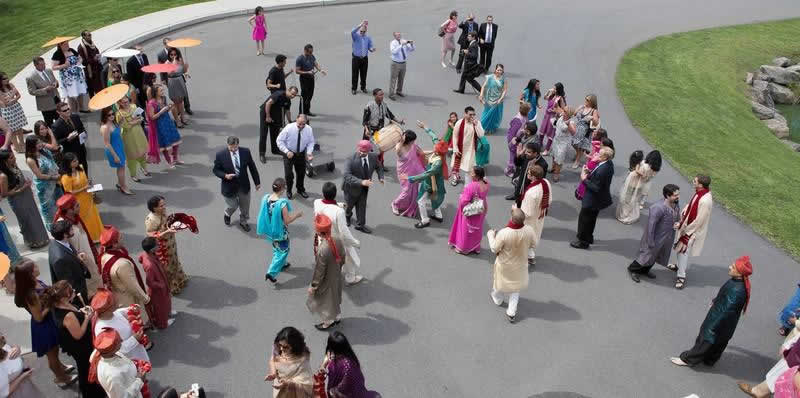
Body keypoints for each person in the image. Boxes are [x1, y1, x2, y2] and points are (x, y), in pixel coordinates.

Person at [671, 256, 752, 367]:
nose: (729, 267)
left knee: (707, 337)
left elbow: (726, 310)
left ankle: (688, 359)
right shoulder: (738, 283)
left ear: (739, 273)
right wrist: (715, 301)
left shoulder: (737, 290)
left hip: (719, 318)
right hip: (727, 322)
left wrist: (714, 324)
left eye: (733, 267)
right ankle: (710, 360)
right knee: (720, 340)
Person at [13, 260, 78, 388]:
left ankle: (61, 367)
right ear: (30, 274)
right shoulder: (31, 294)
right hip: (44, 327)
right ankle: (61, 378)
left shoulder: (35, 282)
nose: (38, 267)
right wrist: (51, 303)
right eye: (35, 267)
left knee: (55, 351)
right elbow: (38, 318)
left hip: (49, 322)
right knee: (52, 355)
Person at [43, 280, 107, 397]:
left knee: (87, 368)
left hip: (76, 344)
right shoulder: (68, 315)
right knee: (87, 369)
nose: (74, 291)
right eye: (71, 291)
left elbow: (74, 315)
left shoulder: (60, 304)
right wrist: (87, 318)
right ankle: (91, 393)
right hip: (81, 347)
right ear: (63, 298)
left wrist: (81, 311)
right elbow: (78, 335)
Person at [665, 174, 713, 289]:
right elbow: (692, 207)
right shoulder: (700, 192)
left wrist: (685, 229)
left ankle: (681, 276)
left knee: (683, 251)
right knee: (680, 249)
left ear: (700, 184)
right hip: (688, 226)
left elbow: (699, 220)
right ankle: (678, 266)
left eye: (695, 181)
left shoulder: (706, 200)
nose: (693, 182)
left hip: (692, 231)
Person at [488, 208, 535, 323]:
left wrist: (491, 235)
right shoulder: (529, 230)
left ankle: (498, 299)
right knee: (516, 288)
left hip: (505, 264)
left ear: (512, 219)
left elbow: (494, 248)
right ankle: (511, 312)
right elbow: (534, 243)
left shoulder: (504, 233)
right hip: (520, 265)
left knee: (499, 282)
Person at [627, 184, 680, 282]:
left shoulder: (675, 204)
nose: (678, 197)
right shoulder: (658, 208)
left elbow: (677, 217)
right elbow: (650, 227)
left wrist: (677, 223)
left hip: (666, 237)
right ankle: (633, 270)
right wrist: (650, 241)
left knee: (656, 255)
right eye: (675, 195)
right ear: (668, 196)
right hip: (655, 237)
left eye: (678, 194)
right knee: (645, 256)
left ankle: (645, 270)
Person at [99, 226, 150, 325]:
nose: (122, 238)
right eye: (120, 238)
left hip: (116, 293)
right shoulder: (122, 264)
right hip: (127, 298)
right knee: (135, 322)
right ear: (114, 244)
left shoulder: (104, 255)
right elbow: (133, 286)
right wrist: (146, 299)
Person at [314, 182, 363, 286]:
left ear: (323, 193)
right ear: (335, 194)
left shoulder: (317, 203)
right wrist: (355, 243)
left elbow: (327, 207)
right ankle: (350, 278)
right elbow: (344, 233)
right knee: (349, 258)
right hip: (335, 242)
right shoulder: (338, 212)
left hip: (322, 239)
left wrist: (339, 205)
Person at [53, 193, 102, 296]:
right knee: (92, 288)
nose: (79, 207)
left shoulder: (74, 218)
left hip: (87, 256)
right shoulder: (63, 226)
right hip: (82, 261)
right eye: (77, 206)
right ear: (69, 210)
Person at [0, 150, 49, 248]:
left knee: (34, 216)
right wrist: (22, 189)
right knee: (26, 220)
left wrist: (27, 187)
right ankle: (32, 242)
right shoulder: (3, 176)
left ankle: (42, 239)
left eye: (13, 156)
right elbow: (4, 194)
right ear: (4, 162)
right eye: (11, 158)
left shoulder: (14, 166)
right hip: (17, 200)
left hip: (26, 195)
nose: (15, 158)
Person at [257, 178, 303, 284]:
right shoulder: (282, 203)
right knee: (283, 251)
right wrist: (297, 215)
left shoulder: (266, 198)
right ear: (282, 189)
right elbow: (287, 220)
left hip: (270, 231)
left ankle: (282, 264)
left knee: (276, 248)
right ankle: (271, 273)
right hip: (280, 232)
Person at [570, 147, 615, 250]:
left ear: (604, 157)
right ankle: (588, 237)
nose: (597, 155)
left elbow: (596, 188)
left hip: (592, 200)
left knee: (584, 220)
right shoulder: (608, 164)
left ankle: (582, 241)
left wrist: (584, 179)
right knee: (591, 220)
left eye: (600, 155)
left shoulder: (602, 170)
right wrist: (589, 172)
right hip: (597, 199)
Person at [307, 214, 346, 330]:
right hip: (337, 274)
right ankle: (337, 316)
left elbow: (319, 271)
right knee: (336, 295)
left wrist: (313, 286)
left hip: (327, 279)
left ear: (319, 232)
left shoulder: (322, 249)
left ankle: (328, 321)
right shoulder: (338, 238)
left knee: (326, 300)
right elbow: (343, 256)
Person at [213, 136, 261, 231]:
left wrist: (257, 182)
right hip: (229, 186)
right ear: (228, 145)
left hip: (244, 185)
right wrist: (225, 175)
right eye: (232, 147)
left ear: (238, 144)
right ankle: (227, 213)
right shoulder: (220, 155)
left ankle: (243, 221)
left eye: (236, 147)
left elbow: (252, 167)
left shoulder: (246, 152)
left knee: (245, 206)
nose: (234, 149)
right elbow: (216, 170)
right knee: (232, 205)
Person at [90, 288, 150, 362]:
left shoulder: (111, 313)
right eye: (114, 301)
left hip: (135, 351)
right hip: (128, 361)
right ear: (108, 308)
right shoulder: (102, 329)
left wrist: (130, 309)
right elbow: (114, 351)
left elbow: (119, 313)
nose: (117, 300)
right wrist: (134, 340)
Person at [145, 195, 189, 294]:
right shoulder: (151, 220)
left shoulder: (162, 212)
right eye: (161, 206)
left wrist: (174, 226)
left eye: (164, 204)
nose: (164, 207)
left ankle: (180, 279)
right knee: (168, 267)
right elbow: (151, 235)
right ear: (154, 208)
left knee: (175, 261)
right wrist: (167, 231)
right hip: (163, 247)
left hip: (171, 242)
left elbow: (167, 222)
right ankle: (172, 287)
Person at [89, 328, 147, 398]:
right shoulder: (113, 376)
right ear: (113, 349)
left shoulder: (108, 354)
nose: (122, 340)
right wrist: (139, 381)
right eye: (119, 340)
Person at [319, 331, 381, 397]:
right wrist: (323, 365)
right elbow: (327, 355)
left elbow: (346, 384)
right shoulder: (346, 354)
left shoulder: (348, 366)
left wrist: (333, 391)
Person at [59, 152, 103, 242]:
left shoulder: (81, 168)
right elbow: (69, 193)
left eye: (76, 160)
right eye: (74, 161)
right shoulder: (66, 177)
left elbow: (85, 181)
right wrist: (84, 188)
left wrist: (89, 184)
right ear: (68, 163)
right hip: (78, 201)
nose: (77, 162)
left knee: (93, 217)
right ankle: (90, 239)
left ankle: (98, 236)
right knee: (85, 220)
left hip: (88, 197)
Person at [343, 141, 384, 234]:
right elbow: (346, 176)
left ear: (369, 151)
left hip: (364, 188)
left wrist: (381, 177)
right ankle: (347, 215)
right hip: (351, 188)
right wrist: (361, 182)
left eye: (364, 152)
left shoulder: (373, 157)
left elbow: (379, 167)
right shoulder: (350, 158)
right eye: (360, 150)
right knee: (349, 206)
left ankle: (360, 225)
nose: (361, 153)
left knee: (362, 207)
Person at [406, 139, 449, 229]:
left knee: (421, 201)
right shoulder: (440, 156)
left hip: (431, 183)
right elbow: (434, 138)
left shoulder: (437, 163)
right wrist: (426, 129)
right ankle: (438, 216)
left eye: (435, 147)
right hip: (436, 182)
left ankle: (425, 220)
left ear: (437, 151)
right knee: (435, 198)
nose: (434, 146)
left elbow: (427, 174)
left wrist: (410, 178)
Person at [24, 135, 62, 231]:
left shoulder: (44, 151)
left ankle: (63, 223)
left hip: (56, 182)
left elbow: (54, 148)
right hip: (44, 187)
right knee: (49, 208)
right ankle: (54, 228)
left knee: (60, 202)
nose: (40, 144)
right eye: (37, 143)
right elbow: (39, 175)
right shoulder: (30, 159)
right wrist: (53, 177)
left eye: (40, 142)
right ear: (31, 145)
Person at [49, 219, 92, 303]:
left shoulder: (60, 242)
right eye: (71, 229)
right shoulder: (60, 259)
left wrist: (77, 258)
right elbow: (68, 284)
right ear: (65, 234)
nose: (73, 230)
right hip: (77, 294)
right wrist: (80, 298)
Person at [516, 165, 551, 266]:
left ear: (534, 177)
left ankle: (523, 259)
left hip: (529, 220)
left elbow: (526, 213)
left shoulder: (531, 193)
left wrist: (515, 210)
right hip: (540, 215)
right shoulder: (546, 182)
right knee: (535, 236)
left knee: (525, 239)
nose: (527, 174)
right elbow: (549, 200)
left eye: (528, 173)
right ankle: (531, 256)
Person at [449, 166, 489, 254]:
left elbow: (464, 201)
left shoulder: (471, 186)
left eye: (472, 173)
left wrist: (461, 197)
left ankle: (463, 248)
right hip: (482, 208)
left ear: (477, 176)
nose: (470, 174)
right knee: (477, 229)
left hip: (472, 210)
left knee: (466, 229)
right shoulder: (486, 183)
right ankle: (476, 247)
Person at [265, 327, 313, 397]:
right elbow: (272, 360)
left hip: (292, 392)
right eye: (280, 345)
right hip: (279, 384)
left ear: (294, 346)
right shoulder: (277, 347)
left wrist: (288, 384)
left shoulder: (302, 360)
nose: (281, 349)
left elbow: (306, 383)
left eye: (285, 347)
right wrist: (273, 374)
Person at [362, 88, 404, 169]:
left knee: (380, 148)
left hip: (378, 132)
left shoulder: (384, 105)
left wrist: (399, 121)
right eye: (380, 95)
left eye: (382, 95)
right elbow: (365, 121)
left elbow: (389, 115)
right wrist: (367, 130)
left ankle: (379, 165)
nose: (382, 96)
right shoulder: (369, 106)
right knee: (366, 147)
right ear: (375, 95)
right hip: (369, 131)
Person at [616, 150, 661, 224]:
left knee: (627, 197)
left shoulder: (644, 164)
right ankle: (630, 212)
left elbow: (637, 171)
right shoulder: (655, 169)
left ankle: (624, 213)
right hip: (642, 184)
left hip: (633, 182)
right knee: (635, 199)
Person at [138, 237, 174, 329]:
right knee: (160, 307)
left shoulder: (147, 254)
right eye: (157, 245)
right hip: (158, 290)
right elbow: (150, 282)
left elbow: (140, 258)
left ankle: (168, 313)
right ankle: (163, 323)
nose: (159, 245)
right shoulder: (150, 266)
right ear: (152, 249)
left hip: (162, 281)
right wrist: (161, 286)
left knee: (167, 299)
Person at [276, 115, 314, 199]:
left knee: (301, 173)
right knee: (289, 175)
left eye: (303, 124)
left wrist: (309, 152)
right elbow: (279, 140)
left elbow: (311, 142)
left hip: (300, 154)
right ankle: (289, 190)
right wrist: (286, 151)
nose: (301, 126)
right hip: (289, 154)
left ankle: (300, 189)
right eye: (299, 124)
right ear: (296, 120)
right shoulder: (289, 128)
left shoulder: (308, 129)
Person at [391, 130, 426, 218]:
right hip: (404, 172)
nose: (414, 142)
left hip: (414, 170)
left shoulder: (413, 146)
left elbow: (421, 153)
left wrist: (435, 152)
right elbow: (398, 149)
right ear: (407, 140)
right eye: (412, 140)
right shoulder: (399, 147)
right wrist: (402, 140)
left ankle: (409, 205)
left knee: (414, 190)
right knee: (406, 191)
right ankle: (395, 204)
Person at [146, 84, 182, 166]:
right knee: (166, 145)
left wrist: (169, 108)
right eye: (161, 90)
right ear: (156, 92)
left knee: (175, 141)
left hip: (168, 122)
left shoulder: (163, 98)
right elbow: (152, 117)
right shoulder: (151, 103)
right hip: (160, 126)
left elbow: (165, 111)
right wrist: (162, 111)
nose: (163, 92)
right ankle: (170, 162)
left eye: (163, 90)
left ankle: (175, 159)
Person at [116, 95, 150, 182]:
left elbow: (141, 118)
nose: (126, 103)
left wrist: (132, 122)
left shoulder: (134, 106)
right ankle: (133, 174)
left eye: (127, 101)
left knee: (142, 152)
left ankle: (144, 168)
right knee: (132, 157)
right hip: (128, 136)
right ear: (119, 103)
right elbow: (126, 126)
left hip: (138, 133)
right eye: (123, 102)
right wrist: (135, 121)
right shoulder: (119, 114)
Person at [0, 331, 45, 397]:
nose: (2, 336)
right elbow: (3, 393)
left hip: (29, 389)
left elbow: (11, 347)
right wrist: (22, 376)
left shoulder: (3, 347)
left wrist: (17, 348)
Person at [100, 108, 133, 195]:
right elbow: (107, 143)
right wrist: (115, 156)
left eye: (112, 114)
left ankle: (120, 184)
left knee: (121, 168)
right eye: (109, 115)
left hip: (119, 147)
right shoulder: (105, 127)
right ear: (104, 116)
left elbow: (116, 131)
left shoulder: (113, 123)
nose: (112, 116)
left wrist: (121, 122)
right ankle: (123, 187)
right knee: (121, 168)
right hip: (114, 150)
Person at [50, 41, 89, 114]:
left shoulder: (71, 50)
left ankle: (82, 108)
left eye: (67, 43)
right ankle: (73, 111)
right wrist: (64, 65)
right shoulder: (57, 54)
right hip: (68, 80)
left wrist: (79, 62)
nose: (67, 45)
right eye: (65, 44)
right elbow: (53, 67)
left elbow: (80, 58)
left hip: (77, 77)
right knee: (71, 95)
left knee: (80, 93)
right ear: (60, 45)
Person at [261, 86, 298, 163]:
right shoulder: (279, 94)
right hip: (266, 113)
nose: (293, 96)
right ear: (288, 90)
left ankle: (275, 150)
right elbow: (268, 103)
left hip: (276, 115)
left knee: (275, 132)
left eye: (294, 95)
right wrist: (268, 116)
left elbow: (287, 111)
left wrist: (290, 121)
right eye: (292, 94)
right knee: (263, 134)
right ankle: (262, 154)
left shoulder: (288, 100)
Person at [449, 106, 484, 185]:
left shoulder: (477, 123)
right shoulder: (459, 123)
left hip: (470, 150)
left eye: (473, 115)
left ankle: (467, 187)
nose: (472, 116)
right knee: (456, 166)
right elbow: (454, 136)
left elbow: (481, 135)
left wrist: (476, 125)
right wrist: (455, 148)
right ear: (465, 114)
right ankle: (456, 178)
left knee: (468, 169)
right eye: (470, 114)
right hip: (459, 149)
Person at [52, 101, 89, 174]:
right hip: (70, 152)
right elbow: (58, 141)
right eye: (64, 110)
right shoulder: (56, 126)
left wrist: (84, 133)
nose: (67, 111)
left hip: (81, 148)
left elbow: (81, 128)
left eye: (68, 109)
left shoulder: (75, 117)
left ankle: (86, 180)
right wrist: (68, 139)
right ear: (58, 112)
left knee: (84, 166)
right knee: (75, 171)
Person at [574, 128, 609, 200]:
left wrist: (588, 156)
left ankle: (581, 193)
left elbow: (594, 154)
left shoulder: (595, 143)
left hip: (592, 163)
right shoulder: (604, 145)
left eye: (596, 132)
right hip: (596, 163)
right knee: (591, 179)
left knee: (586, 177)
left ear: (599, 136)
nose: (594, 132)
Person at [26, 57, 60, 127]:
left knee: (60, 120)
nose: (44, 66)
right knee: (49, 123)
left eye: (44, 64)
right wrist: (45, 90)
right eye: (41, 65)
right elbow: (32, 91)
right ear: (36, 65)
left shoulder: (48, 70)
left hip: (56, 99)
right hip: (45, 104)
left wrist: (55, 83)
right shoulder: (31, 77)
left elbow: (55, 80)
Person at [294, 44, 327, 116]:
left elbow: (315, 64)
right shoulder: (300, 59)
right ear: (305, 51)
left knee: (310, 95)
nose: (311, 53)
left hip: (311, 78)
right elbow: (297, 71)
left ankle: (307, 111)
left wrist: (320, 70)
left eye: (312, 52)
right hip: (304, 79)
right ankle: (301, 113)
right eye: (310, 52)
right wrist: (307, 72)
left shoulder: (311, 56)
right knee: (304, 95)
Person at [0, 72, 27, 154]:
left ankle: (22, 144)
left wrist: (13, 99)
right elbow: (6, 103)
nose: (7, 80)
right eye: (4, 79)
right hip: (8, 112)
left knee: (19, 128)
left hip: (16, 108)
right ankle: (17, 147)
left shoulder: (11, 85)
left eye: (7, 78)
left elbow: (19, 95)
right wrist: (13, 94)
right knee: (12, 130)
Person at [571, 94, 601, 168]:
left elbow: (596, 122)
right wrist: (578, 109)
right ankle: (579, 153)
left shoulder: (594, 111)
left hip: (585, 131)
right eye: (585, 99)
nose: (585, 101)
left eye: (587, 100)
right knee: (573, 143)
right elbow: (574, 114)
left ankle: (577, 160)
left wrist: (591, 118)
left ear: (591, 101)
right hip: (578, 129)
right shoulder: (583, 107)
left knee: (580, 146)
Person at [550, 106, 577, 182]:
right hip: (556, 140)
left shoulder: (571, 122)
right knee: (554, 155)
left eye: (565, 111)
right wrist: (555, 110)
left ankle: (556, 174)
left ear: (569, 114)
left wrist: (568, 125)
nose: (563, 112)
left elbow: (574, 132)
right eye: (564, 111)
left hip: (563, 143)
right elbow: (557, 108)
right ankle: (553, 168)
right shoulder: (562, 116)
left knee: (559, 159)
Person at [479, 64, 507, 134]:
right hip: (488, 99)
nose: (499, 71)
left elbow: (504, 90)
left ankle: (491, 128)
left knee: (494, 115)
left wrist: (501, 98)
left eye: (501, 70)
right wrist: (481, 94)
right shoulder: (490, 77)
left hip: (498, 99)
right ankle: (482, 127)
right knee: (486, 113)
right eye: (498, 70)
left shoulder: (504, 79)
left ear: (502, 71)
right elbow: (484, 86)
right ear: (495, 70)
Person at [505, 102, 531, 176]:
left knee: (517, 155)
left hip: (520, 140)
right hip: (515, 141)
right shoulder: (518, 120)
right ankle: (509, 171)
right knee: (512, 156)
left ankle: (515, 168)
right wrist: (512, 143)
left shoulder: (524, 116)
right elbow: (512, 133)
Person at [539, 83, 566, 155]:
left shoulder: (560, 98)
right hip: (546, 116)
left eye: (555, 88)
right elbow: (545, 98)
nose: (553, 89)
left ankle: (547, 150)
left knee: (551, 134)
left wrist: (555, 111)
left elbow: (564, 110)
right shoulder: (552, 95)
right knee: (542, 131)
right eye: (553, 88)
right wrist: (548, 91)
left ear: (558, 90)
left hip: (553, 117)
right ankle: (540, 144)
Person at [351, 20, 375, 95]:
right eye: (361, 31)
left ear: (366, 31)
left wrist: (371, 49)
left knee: (364, 74)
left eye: (363, 32)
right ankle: (354, 88)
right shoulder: (356, 36)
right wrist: (360, 25)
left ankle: (363, 87)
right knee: (355, 74)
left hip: (364, 58)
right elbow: (352, 32)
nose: (362, 33)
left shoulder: (368, 38)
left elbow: (370, 46)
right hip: (356, 58)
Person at [167, 48, 190, 127]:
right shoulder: (167, 62)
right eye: (171, 54)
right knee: (176, 102)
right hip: (173, 82)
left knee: (181, 101)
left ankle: (183, 117)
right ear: (169, 55)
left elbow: (183, 71)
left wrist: (186, 67)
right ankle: (177, 121)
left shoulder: (180, 60)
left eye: (175, 54)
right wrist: (173, 65)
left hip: (180, 80)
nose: (173, 56)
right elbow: (169, 73)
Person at [76, 31, 103, 97]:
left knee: (100, 89)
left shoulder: (92, 44)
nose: (90, 36)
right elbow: (83, 61)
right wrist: (93, 59)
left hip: (97, 69)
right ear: (84, 36)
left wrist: (98, 56)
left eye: (90, 34)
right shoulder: (81, 48)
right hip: (90, 72)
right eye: (88, 35)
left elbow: (97, 51)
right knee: (93, 90)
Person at [388, 32, 414, 100]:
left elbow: (411, 49)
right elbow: (393, 52)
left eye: (400, 34)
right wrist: (401, 45)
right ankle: (391, 94)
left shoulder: (404, 41)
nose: (399, 36)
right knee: (393, 79)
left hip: (403, 63)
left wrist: (411, 45)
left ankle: (399, 91)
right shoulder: (393, 43)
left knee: (401, 78)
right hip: (395, 63)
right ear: (394, 36)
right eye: (398, 35)